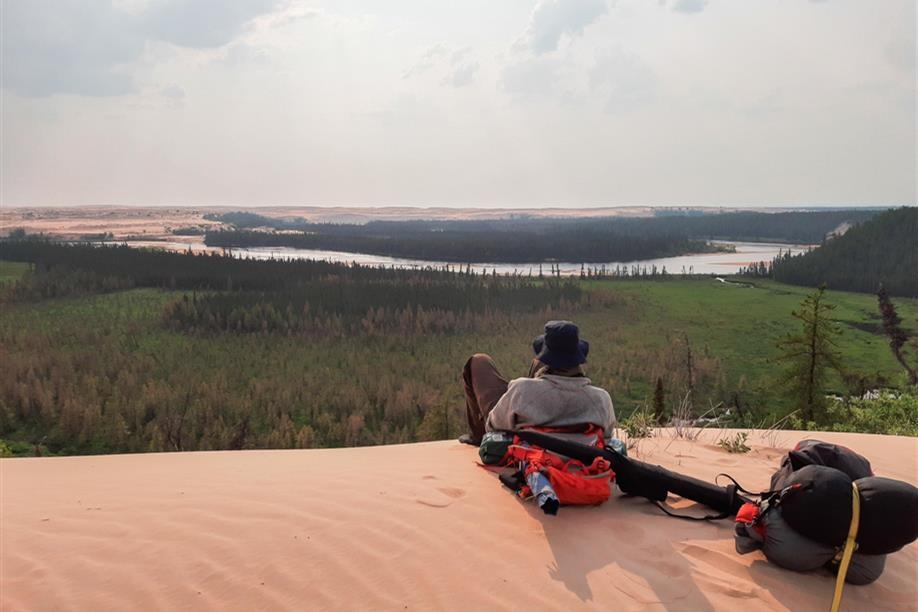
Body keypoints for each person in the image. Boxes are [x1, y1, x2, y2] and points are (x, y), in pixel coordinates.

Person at [460, 320, 615, 445]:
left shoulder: (522, 390)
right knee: (537, 365)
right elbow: (606, 437)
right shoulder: (602, 399)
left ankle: (477, 438)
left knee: (479, 361)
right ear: (578, 359)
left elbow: (494, 425)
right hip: (575, 453)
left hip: (527, 450)